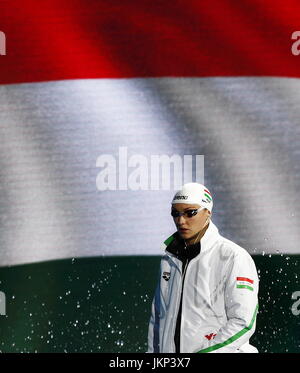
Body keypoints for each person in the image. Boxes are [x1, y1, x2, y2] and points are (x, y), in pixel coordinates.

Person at [147, 182, 259, 353]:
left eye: (190, 213)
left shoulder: (233, 256)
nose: (181, 220)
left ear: (208, 212)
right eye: (175, 213)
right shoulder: (169, 259)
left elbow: (244, 321)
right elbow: (158, 319)